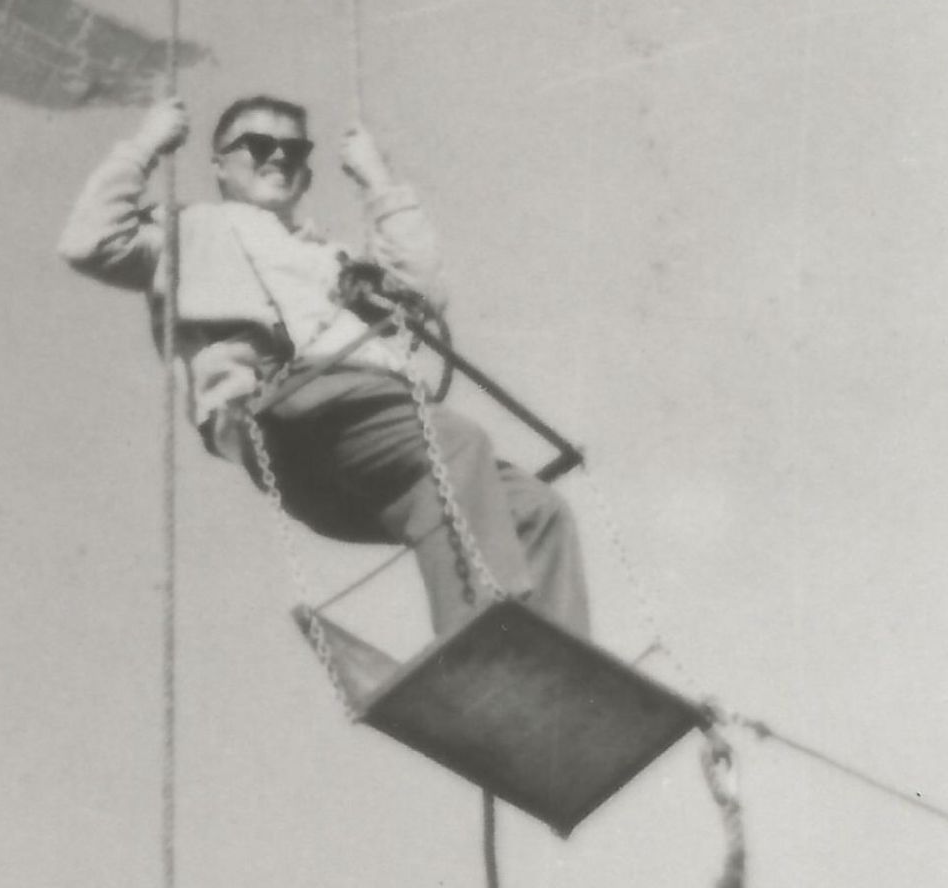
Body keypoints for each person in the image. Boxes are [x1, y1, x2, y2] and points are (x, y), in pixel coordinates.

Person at [58, 93, 589, 642]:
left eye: (294, 149)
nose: (278, 157)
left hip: (369, 426)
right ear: (218, 164)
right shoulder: (188, 230)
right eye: (259, 145)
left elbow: (423, 294)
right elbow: (88, 242)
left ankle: (560, 668)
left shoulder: (330, 257)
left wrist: (377, 179)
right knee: (455, 443)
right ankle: (487, 642)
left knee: (536, 509)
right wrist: (146, 143)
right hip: (289, 401)